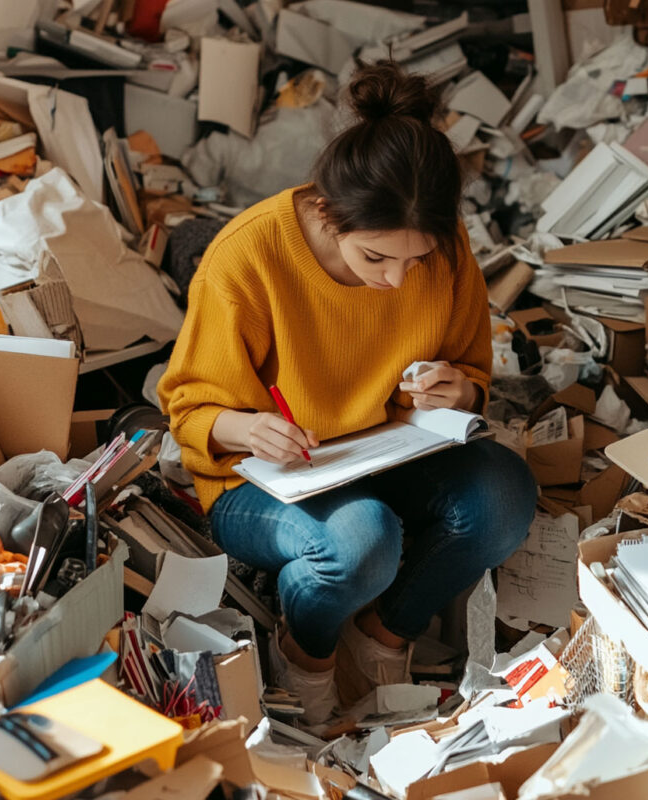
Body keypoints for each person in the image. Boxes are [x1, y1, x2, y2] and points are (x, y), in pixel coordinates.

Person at [158, 61, 537, 725]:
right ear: (328, 214)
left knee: (505, 494)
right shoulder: (248, 256)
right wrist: (244, 428)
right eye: (375, 259)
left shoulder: (442, 250)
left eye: (413, 261)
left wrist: (459, 392)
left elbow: (473, 370)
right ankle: (306, 652)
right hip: (264, 480)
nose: (396, 280)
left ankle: (385, 635)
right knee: (360, 541)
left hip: (388, 454)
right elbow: (190, 409)